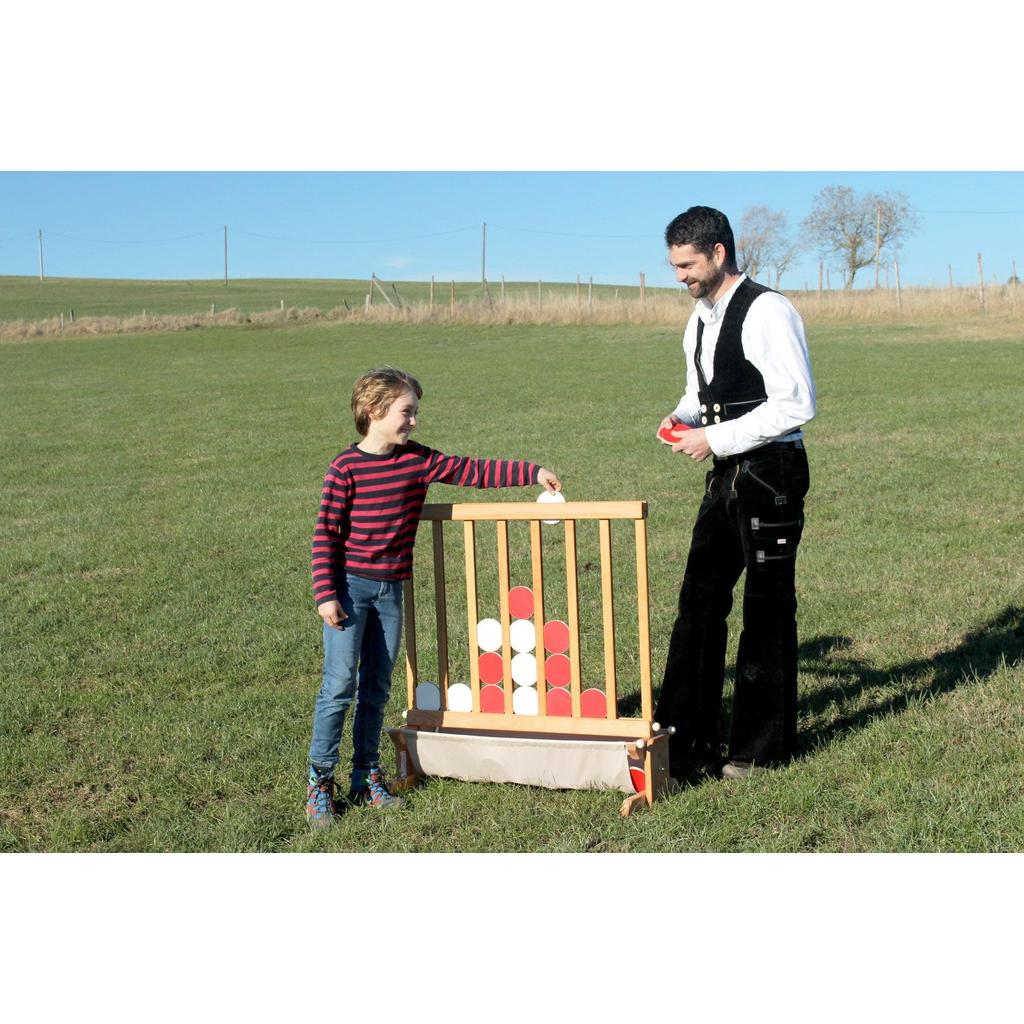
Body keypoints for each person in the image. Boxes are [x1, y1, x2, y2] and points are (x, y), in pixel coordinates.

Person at [306, 366, 562, 826]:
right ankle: (320, 782)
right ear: (374, 411)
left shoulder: (418, 460)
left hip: (390, 593)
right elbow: (325, 534)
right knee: (340, 684)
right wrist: (327, 593)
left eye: (415, 413)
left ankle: (365, 776)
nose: (414, 422)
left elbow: (473, 470)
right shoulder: (344, 468)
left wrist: (532, 471)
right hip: (349, 590)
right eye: (407, 412)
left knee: (377, 687)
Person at [654, 206, 816, 783]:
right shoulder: (700, 317)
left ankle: (758, 750)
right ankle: (680, 740)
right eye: (675, 266)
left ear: (719, 253)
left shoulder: (769, 310)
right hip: (726, 470)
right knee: (699, 601)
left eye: (687, 265)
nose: (681, 277)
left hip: (772, 471)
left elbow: (796, 403)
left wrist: (713, 438)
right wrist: (679, 417)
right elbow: (702, 390)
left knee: (766, 608)